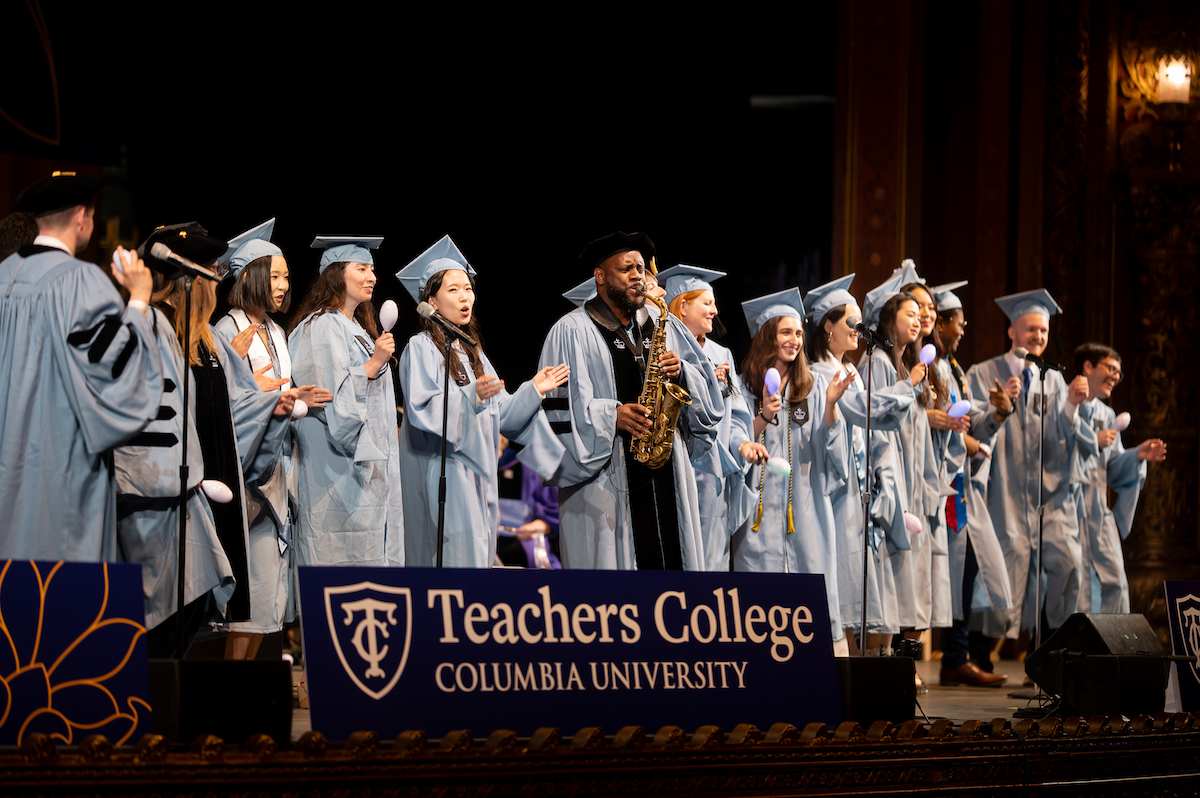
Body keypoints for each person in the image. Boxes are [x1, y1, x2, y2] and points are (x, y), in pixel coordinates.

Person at [115, 223, 297, 656]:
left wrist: (273, 405)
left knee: (194, 616)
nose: (215, 289)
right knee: (161, 620)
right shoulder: (155, 328)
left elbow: (239, 405)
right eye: (210, 279)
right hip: (158, 499)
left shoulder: (209, 340)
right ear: (192, 283)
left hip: (202, 497)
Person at [0, 172, 163, 562]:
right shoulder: (81, 282)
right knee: (59, 602)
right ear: (82, 217)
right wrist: (139, 300)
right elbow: (111, 371)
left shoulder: (4, 278)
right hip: (58, 472)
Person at [538, 231, 723, 570]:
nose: (638, 276)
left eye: (640, 268)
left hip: (667, 465)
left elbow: (708, 393)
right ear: (600, 277)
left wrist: (682, 373)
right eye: (627, 269)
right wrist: (612, 415)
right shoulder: (571, 331)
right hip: (606, 479)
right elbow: (557, 413)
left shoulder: (663, 324)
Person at [395, 234, 568, 568]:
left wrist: (534, 388)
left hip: (478, 476)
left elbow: (503, 415)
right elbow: (423, 410)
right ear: (430, 299)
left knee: (477, 563)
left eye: (468, 289)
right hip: (444, 473)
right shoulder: (421, 348)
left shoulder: (472, 352)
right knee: (450, 564)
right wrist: (470, 396)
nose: (465, 297)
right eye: (453, 289)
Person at [213, 219, 331, 660]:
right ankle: (228, 695)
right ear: (251, 277)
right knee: (248, 596)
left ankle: (250, 695)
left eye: (286, 276)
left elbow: (274, 389)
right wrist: (262, 394)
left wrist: (291, 396)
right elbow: (226, 400)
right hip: (248, 470)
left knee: (269, 595)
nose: (284, 285)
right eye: (275, 276)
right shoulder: (228, 331)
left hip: (280, 463)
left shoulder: (277, 333)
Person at [964, 289, 1095, 648]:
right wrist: (999, 405)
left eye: (1043, 331)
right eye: (1031, 329)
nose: (1038, 337)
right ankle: (979, 652)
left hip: (1043, 492)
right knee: (1000, 564)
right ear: (1012, 331)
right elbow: (972, 424)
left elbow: (1058, 437)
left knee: (1065, 561)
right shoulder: (983, 372)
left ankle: (1052, 648)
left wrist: (1068, 405)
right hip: (1000, 487)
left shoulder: (1052, 379)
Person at [733, 287, 854, 646]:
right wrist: (763, 416)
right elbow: (735, 441)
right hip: (757, 510)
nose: (795, 339)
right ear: (768, 336)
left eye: (799, 333)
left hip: (806, 507)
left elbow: (832, 451)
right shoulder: (743, 388)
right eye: (786, 332)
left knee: (809, 590)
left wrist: (831, 406)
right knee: (759, 599)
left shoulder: (812, 387)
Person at [804, 273, 916, 655]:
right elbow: (862, 413)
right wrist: (907, 387)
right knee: (842, 582)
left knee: (860, 583)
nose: (858, 329)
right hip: (832, 488)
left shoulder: (848, 371)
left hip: (856, 487)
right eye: (850, 322)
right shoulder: (819, 376)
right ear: (827, 327)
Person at [288, 235, 404, 568]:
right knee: (337, 567)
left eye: (373, 270)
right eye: (362, 268)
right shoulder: (322, 325)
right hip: (337, 471)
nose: (372, 277)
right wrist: (372, 364)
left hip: (364, 472)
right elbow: (329, 397)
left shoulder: (355, 328)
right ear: (338, 273)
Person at [859, 267, 945, 687]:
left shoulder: (899, 363)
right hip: (886, 482)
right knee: (888, 573)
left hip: (907, 482)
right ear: (889, 318)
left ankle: (893, 664)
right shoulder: (876, 362)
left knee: (903, 574)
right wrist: (909, 386)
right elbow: (875, 419)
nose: (917, 320)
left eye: (920, 314)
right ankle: (880, 665)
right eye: (908, 312)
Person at [926, 281, 1011, 687]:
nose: (963, 330)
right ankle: (947, 656)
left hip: (958, 485)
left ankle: (956, 656)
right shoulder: (926, 365)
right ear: (939, 323)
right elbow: (931, 418)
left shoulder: (951, 369)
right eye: (958, 323)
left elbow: (968, 415)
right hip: (937, 482)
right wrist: (967, 439)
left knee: (965, 564)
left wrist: (996, 415)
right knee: (947, 568)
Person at [658, 264, 765, 571]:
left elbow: (733, 415)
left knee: (713, 558)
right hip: (681, 466)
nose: (715, 311)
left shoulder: (722, 355)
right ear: (682, 305)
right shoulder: (665, 351)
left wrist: (742, 443)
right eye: (707, 303)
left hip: (715, 472)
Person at [1073, 342, 1166, 613]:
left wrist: (1137, 455)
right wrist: (1093, 440)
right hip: (1068, 508)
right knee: (1073, 587)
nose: (1115, 376)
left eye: (1119, 372)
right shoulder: (1065, 407)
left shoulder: (1107, 414)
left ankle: (1110, 651)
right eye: (1110, 368)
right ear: (1088, 367)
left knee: (1116, 581)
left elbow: (1112, 468)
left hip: (1097, 511)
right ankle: (1072, 651)